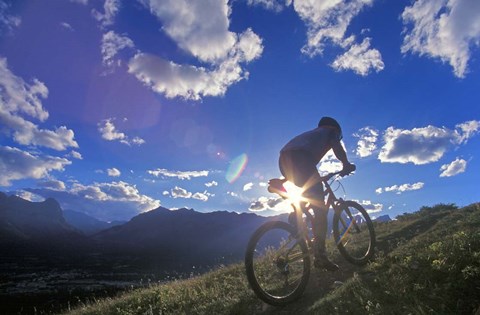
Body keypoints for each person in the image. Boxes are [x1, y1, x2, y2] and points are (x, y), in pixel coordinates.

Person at [279, 116, 355, 271]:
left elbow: (298, 164)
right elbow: (337, 146)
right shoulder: (329, 132)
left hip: (284, 159)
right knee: (320, 209)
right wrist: (346, 164)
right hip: (300, 158)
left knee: (309, 189)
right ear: (336, 129)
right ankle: (320, 257)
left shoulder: (312, 136)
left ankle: (298, 213)